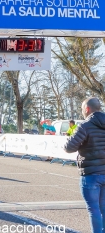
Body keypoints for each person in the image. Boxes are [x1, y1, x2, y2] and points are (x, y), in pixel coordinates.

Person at [64, 97, 105, 233]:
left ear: (87, 109)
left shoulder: (85, 125)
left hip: (91, 174)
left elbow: (69, 147)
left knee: (94, 209)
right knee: (104, 208)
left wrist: (70, 138)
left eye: (82, 109)